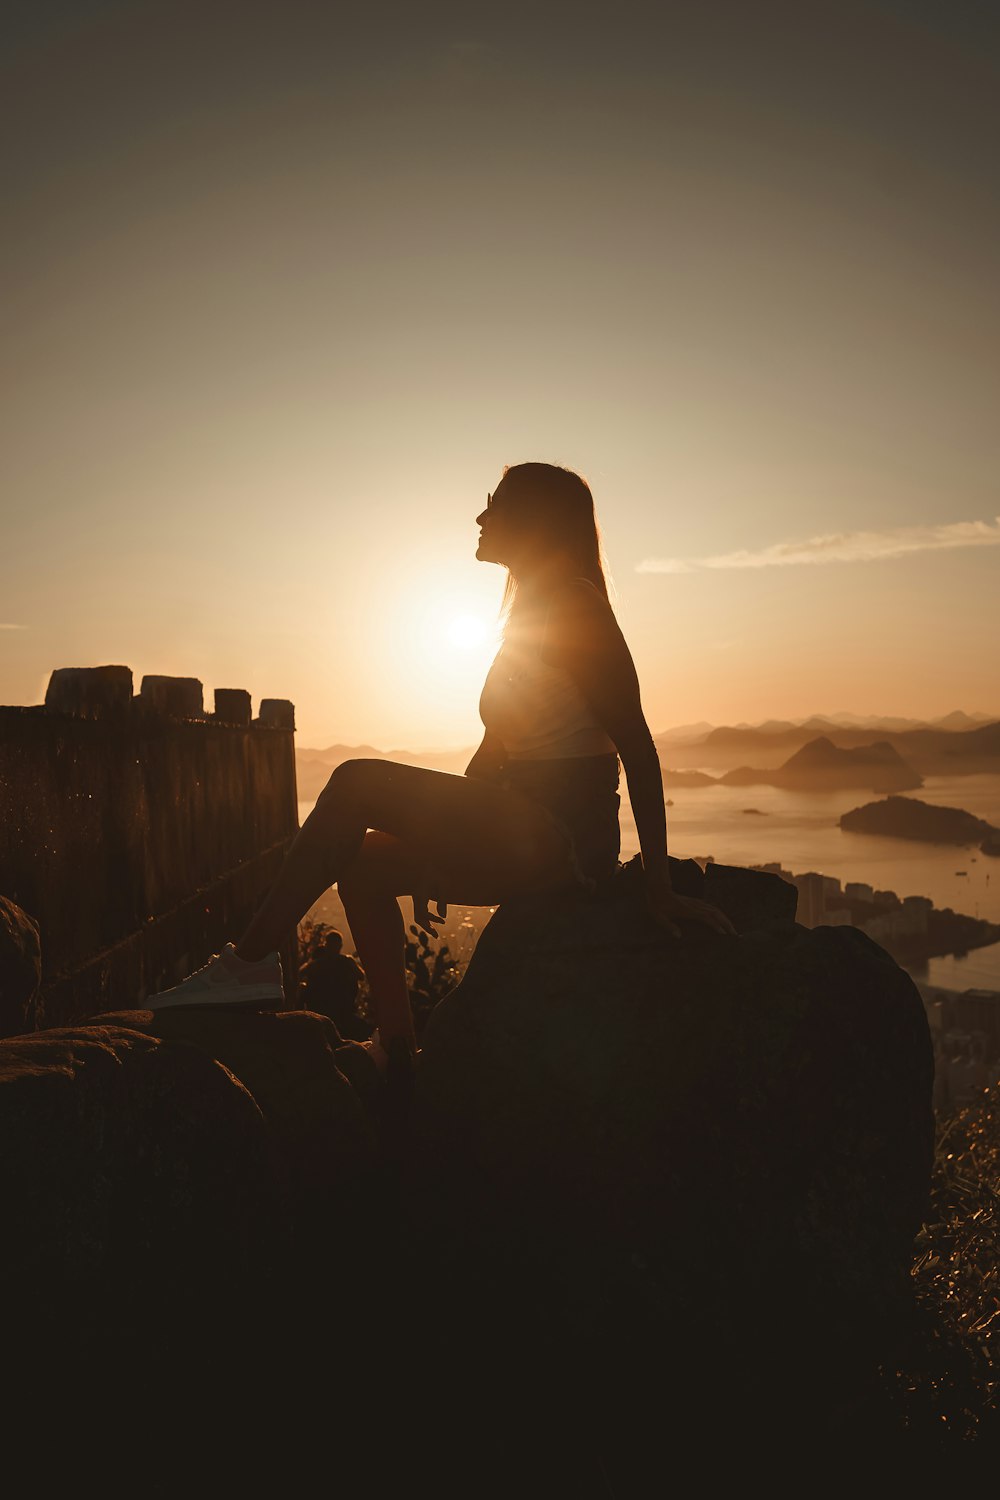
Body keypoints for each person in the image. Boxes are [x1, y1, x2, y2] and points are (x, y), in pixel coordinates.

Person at [149, 462, 735, 1062]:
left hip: (562, 836)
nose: (481, 518)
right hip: (518, 824)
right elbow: (494, 754)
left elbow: (636, 745)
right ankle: (399, 1048)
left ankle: (246, 965)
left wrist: (658, 887)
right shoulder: (531, 617)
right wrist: (439, 845)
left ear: (535, 523)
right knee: (364, 862)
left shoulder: (575, 608)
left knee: (356, 781)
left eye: (496, 505)